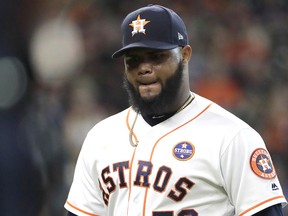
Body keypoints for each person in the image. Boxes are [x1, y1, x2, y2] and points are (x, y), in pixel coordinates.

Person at [64, 4, 287, 216]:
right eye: (133, 60)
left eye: (157, 57)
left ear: (185, 54)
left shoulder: (232, 137)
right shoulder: (101, 137)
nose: (144, 69)